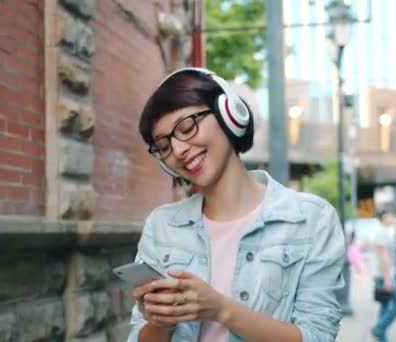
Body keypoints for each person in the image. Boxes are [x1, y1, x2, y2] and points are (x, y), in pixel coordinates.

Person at [127, 67, 346, 342]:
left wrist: (220, 309)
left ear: (229, 114)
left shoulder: (312, 219)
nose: (179, 150)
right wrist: (160, 322)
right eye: (164, 146)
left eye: (186, 127)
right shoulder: (162, 226)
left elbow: (318, 336)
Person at [370, 210, 396, 342]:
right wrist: (388, 279)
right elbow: (383, 257)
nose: (392, 217)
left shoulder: (387, 231)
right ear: (384, 217)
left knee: (384, 308)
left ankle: (381, 337)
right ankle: (378, 329)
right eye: (390, 215)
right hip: (385, 276)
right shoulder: (382, 233)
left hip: (385, 275)